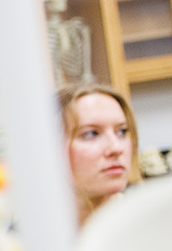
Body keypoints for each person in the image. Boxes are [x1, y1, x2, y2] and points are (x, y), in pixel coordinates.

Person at [57, 83, 140, 227]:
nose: (116, 148)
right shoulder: (17, 241)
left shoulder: (149, 223)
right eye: (90, 134)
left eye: (121, 132)